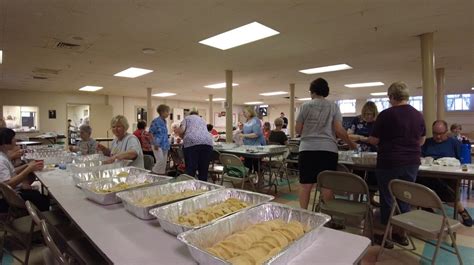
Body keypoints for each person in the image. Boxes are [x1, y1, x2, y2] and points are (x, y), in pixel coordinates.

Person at [368, 81, 426, 247]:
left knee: (387, 197)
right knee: (405, 196)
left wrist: (365, 139)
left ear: (392, 96)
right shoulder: (418, 115)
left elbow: (375, 139)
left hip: (389, 161)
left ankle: (386, 235)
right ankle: (401, 234)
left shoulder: (386, 114)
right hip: (412, 162)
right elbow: (421, 141)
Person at [295, 78, 357, 210]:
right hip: (328, 150)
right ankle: (327, 216)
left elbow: (298, 130)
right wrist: (351, 144)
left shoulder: (305, 106)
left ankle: (303, 215)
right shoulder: (333, 106)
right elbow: (339, 130)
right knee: (326, 186)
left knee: (305, 185)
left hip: (307, 149)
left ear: (312, 91)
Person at [418, 120, 472, 226]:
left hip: (448, 176)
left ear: (446, 132)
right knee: (419, 180)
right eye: (435, 133)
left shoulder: (455, 143)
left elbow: (462, 162)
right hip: (429, 174)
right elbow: (421, 158)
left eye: (441, 134)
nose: (438, 137)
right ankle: (459, 209)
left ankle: (460, 209)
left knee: (443, 184)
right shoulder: (427, 142)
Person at [0, 128, 50, 211]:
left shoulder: (3, 155)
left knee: (38, 194)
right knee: (42, 199)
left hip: (14, 191)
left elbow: (12, 172)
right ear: (4, 143)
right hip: (8, 199)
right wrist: (28, 169)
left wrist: (27, 165)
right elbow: (8, 184)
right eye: (13, 138)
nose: (15, 140)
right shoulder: (1, 160)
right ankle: (44, 219)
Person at [175, 111, 213, 181]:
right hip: (208, 143)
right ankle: (203, 188)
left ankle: (190, 188)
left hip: (192, 143)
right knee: (203, 169)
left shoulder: (187, 118)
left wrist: (180, 134)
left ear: (190, 114)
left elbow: (181, 130)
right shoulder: (203, 120)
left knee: (191, 169)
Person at [241, 106, 266, 172]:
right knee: (247, 164)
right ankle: (248, 179)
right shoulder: (247, 121)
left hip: (256, 147)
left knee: (256, 166)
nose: (243, 114)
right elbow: (246, 131)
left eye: (244, 112)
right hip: (248, 147)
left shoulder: (256, 120)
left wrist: (244, 135)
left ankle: (258, 179)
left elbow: (256, 134)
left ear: (250, 112)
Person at [149, 105, 171, 174]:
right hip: (157, 144)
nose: (168, 113)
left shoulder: (164, 121)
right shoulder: (155, 121)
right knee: (160, 161)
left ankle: (161, 177)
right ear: (161, 112)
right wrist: (155, 143)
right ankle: (151, 174)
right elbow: (150, 133)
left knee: (164, 164)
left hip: (165, 144)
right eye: (167, 111)